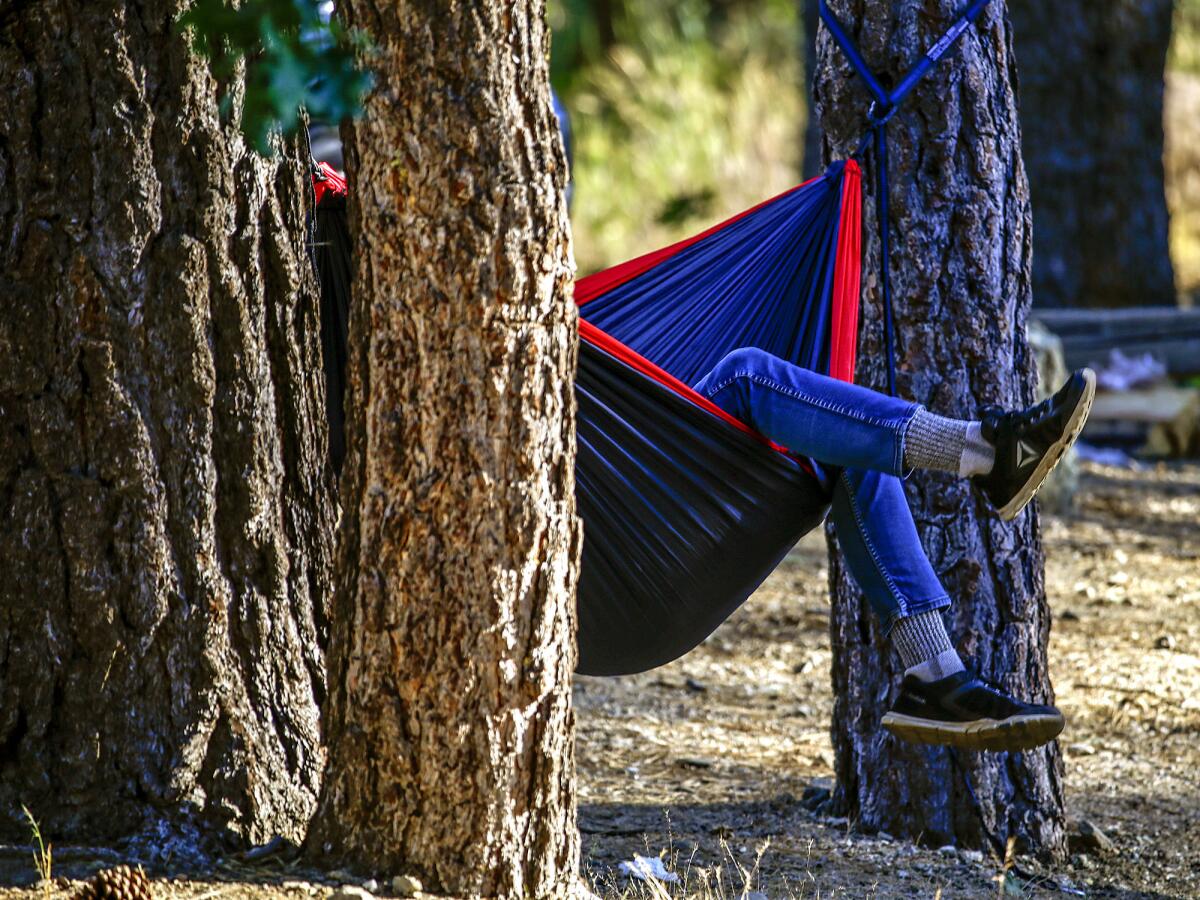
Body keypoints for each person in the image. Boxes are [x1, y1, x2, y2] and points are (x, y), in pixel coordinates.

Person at [692, 348, 1095, 752]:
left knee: (852, 446)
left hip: (671, 526)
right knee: (741, 375)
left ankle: (937, 676)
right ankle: (987, 454)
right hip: (640, 518)